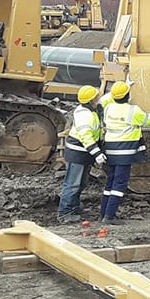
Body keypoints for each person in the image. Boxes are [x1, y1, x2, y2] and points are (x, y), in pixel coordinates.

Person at [99, 80, 150, 223]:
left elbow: (104, 100)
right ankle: (110, 216)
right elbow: (148, 120)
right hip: (124, 152)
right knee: (119, 184)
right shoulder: (133, 111)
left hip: (109, 150)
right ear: (128, 95)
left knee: (110, 182)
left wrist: (120, 88)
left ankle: (103, 213)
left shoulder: (108, 108)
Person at [58, 85, 105, 223]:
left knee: (81, 183)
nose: (99, 98)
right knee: (73, 184)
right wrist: (97, 153)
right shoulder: (85, 115)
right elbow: (86, 137)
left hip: (83, 153)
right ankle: (65, 213)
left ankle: (73, 208)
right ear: (91, 100)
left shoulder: (91, 110)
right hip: (78, 153)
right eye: (96, 96)